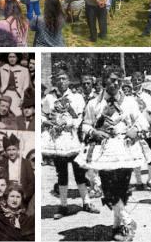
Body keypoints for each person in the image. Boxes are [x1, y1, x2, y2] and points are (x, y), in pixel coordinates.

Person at [76, 65, 150, 241]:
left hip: (126, 149)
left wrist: (136, 131)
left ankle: (118, 227)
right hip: (104, 151)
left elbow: (144, 123)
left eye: (119, 80)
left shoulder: (129, 102)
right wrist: (94, 132)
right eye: (112, 79)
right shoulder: (94, 103)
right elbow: (85, 125)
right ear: (104, 80)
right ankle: (128, 220)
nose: (116, 83)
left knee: (121, 189)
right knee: (108, 190)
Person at [41, 69, 98, 220]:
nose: (61, 82)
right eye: (58, 79)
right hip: (57, 140)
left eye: (64, 78)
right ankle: (64, 205)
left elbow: (80, 117)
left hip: (72, 138)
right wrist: (48, 122)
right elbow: (42, 114)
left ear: (68, 81)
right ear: (54, 81)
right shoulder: (49, 98)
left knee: (79, 171)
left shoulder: (76, 97)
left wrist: (70, 123)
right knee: (62, 173)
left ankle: (87, 202)